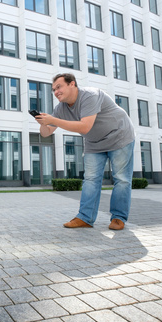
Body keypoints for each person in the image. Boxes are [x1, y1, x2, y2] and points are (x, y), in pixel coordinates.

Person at [35, 73, 135, 230]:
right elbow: (46, 133)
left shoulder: (89, 95)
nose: (56, 92)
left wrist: (53, 120)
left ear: (72, 84)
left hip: (119, 136)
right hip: (94, 143)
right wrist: (43, 123)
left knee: (121, 179)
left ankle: (118, 218)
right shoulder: (60, 108)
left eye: (59, 87)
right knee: (90, 179)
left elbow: (84, 126)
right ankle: (85, 218)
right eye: (53, 89)